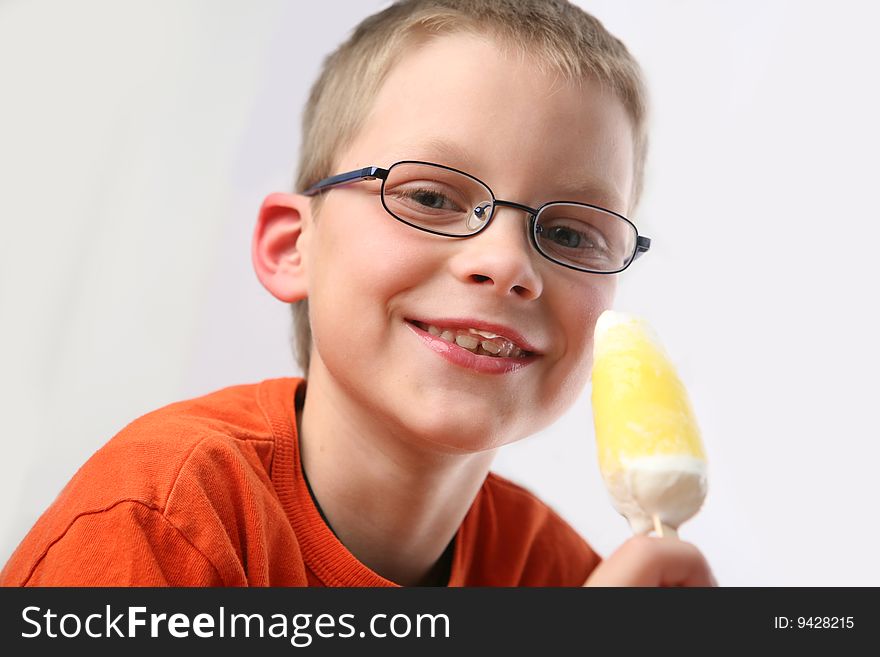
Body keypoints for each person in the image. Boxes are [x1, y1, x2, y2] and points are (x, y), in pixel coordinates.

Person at [1, 0, 714, 587]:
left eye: (571, 234)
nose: (506, 263)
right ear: (293, 246)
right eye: (431, 194)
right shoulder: (167, 516)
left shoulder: (556, 576)